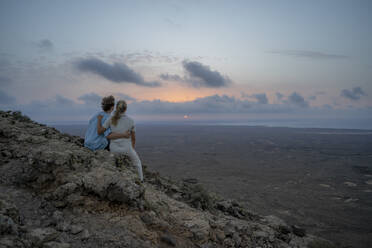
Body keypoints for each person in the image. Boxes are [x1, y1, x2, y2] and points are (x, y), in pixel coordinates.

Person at [101, 100, 144, 182]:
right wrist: (132, 149)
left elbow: (102, 131)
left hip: (113, 149)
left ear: (116, 108)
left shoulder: (111, 119)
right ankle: (141, 180)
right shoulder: (130, 121)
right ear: (126, 109)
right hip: (127, 149)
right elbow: (133, 138)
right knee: (137, 163)